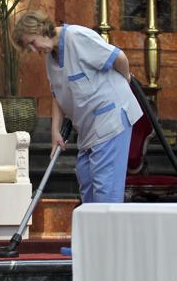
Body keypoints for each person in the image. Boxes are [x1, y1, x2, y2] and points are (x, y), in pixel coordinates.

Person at [13, 11, 143, 203]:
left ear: (40, 29)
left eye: (32, 43)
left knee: (106, 194)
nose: (33, 50)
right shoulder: (51, 58)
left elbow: (119, 57)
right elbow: (57, 95)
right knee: (87, 186)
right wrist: (55, 131)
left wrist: (125, 81)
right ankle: (93, 233)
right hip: (88, 130)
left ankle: (108, 232)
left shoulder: (76, 37)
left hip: (111, 120)